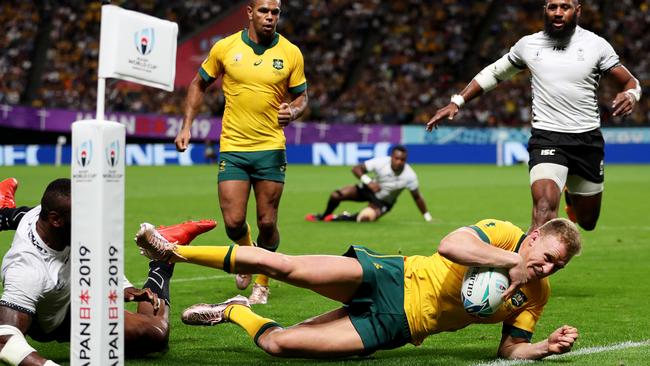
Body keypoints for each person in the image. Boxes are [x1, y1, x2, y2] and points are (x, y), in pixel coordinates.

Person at [136, 216, 581, 360]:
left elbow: (509, 350)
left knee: (280, 345)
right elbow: (451, 245)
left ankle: (236, 310)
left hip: (397, 325)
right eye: (546, 256)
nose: (546, 268)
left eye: (556, 267)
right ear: (536, 235)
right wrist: (515, 262)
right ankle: (172, 251)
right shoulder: (503, 234)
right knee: (287, 266)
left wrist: (542, 347)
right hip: (394, 274)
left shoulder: (536, 296)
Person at [426, 0, 641, 232]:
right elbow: (495, 73)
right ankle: (527, 266)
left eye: (565, 7)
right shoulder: (529, 45)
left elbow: (630, 81)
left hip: (586, 140)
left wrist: (631, 95)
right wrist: (457, 101)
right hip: (547, 137)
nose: (558, 13)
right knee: (544, 209)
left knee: (588, 221)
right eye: (552, 7)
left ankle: (570, 195)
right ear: (545, 10)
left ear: (577, 11)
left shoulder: (596, 45)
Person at [174, 0, 309, 304]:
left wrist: (295, 111)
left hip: (271, 148)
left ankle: (261, 281)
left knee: (267, 223)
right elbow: (198, 84)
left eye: (275, 12)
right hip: (233, 148)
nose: (270, 17)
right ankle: (248, 256)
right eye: (264, 11)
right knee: (234, 222)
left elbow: (302, 96)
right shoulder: (225, 48)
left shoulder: (290, 52)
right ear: (250, 12)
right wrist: (186, 127)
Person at [0, 178, 216, 365]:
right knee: (158, 331)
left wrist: (121, 285)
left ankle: (165, 248)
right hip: (53, 318)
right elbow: (5, 339)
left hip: (73, 291)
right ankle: (164, 263)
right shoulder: (26, 270)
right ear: (55, 219)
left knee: (157, 336)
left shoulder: (56, 220)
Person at [305, 146, 432, 223]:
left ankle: (340, 218)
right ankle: (324, 216)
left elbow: (417, 197)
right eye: (396, 158)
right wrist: (368, 182)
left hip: (383, 202)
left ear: (406, 160)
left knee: (365, 218)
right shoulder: (381, 162)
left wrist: (427, 217)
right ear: (391, 157)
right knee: (336, 195)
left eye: (402, 159)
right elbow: (356, 169)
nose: (399, 162)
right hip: (369, 189)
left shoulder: (410, 176)